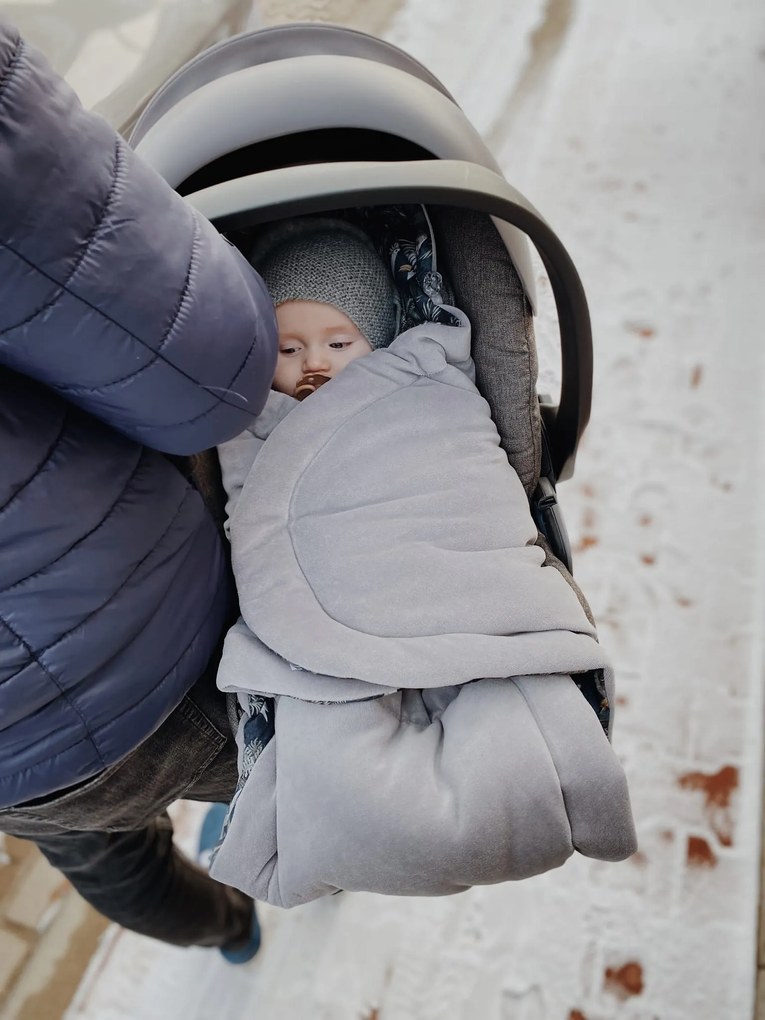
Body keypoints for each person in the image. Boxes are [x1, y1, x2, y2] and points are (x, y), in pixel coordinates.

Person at [208, 215, 637, 908]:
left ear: (376, 339)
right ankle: (338, 826)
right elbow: (243, 508)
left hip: (446, 570)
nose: (312, 363)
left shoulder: (424, 378)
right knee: (333, 752)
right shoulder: (248, 417)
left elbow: (457, 471)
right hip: (321, 613)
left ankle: (539, 778)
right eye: (287, 348)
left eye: (337, 341)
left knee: (509, 726)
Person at [0, 19, 278, 959]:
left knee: (109, 857)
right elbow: (209, 369)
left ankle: (225, 927)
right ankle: (265, 837)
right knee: (287, 760)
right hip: (140, 626)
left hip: (15, 768)